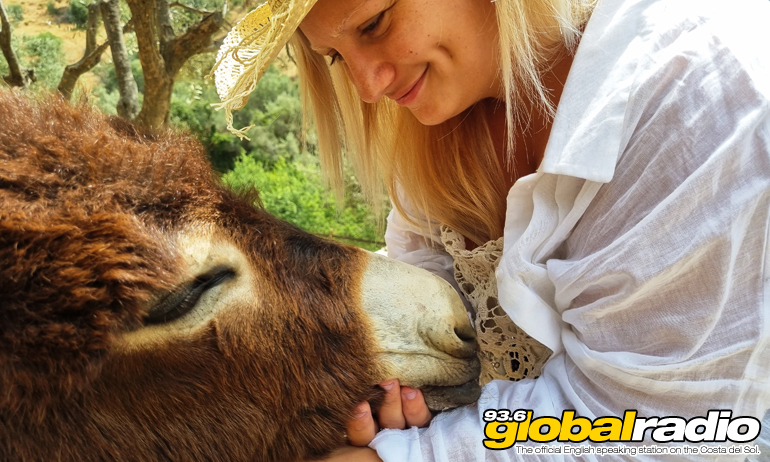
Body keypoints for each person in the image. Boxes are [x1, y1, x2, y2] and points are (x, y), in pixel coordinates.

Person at [213, 0, 770, 460]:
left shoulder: (692, 93)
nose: (367, 86)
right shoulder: (443, 126)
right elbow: (423, 289)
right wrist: (401, 396)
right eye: (336, 57)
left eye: (375, 23)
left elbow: (663, 425)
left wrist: (401, 456)